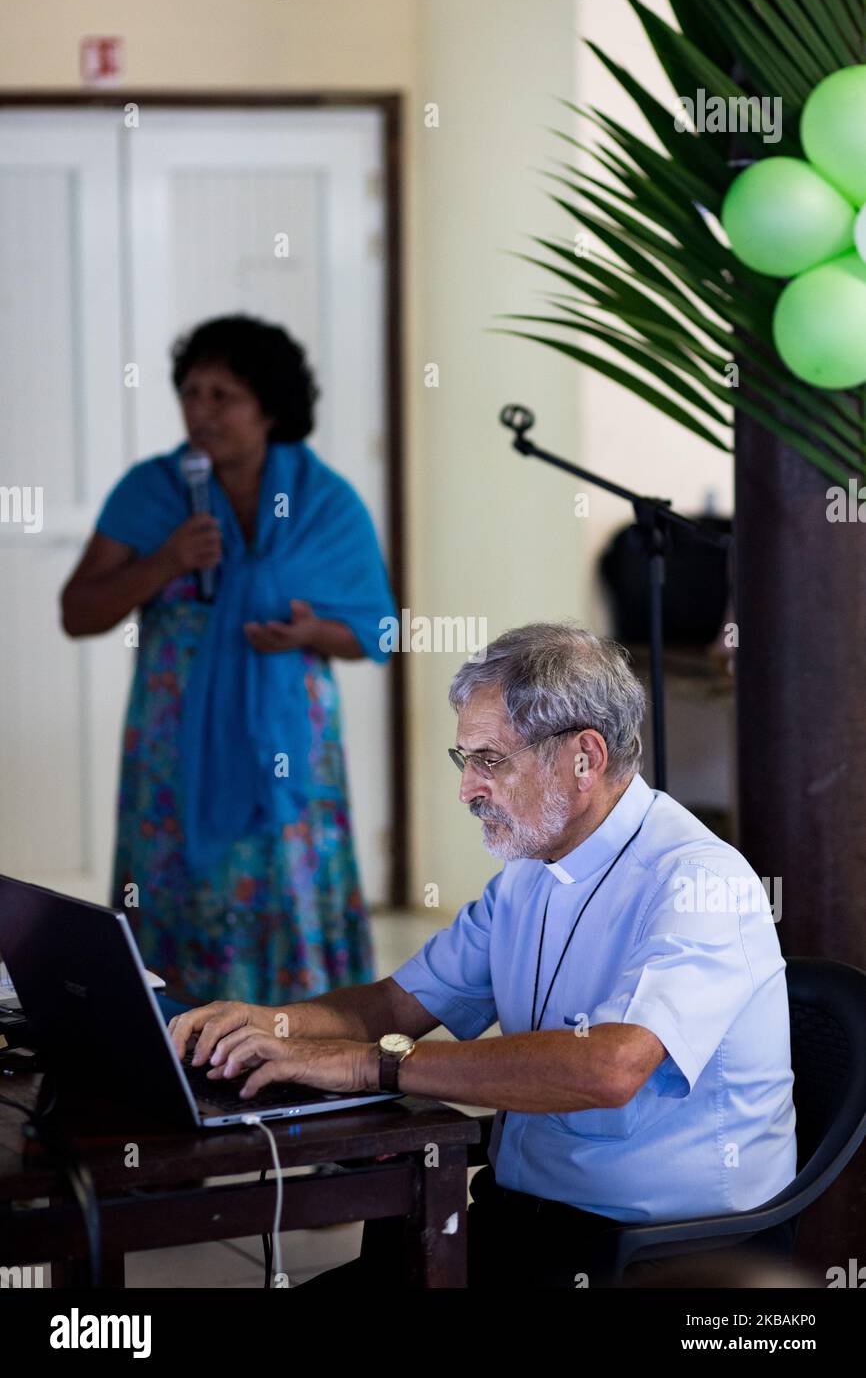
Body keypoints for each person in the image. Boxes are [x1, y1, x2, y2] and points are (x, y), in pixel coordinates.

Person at [167, 621, 798, 1287]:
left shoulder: (700, 880)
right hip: (528, 1222)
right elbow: (396, 1003)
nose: (468, 789)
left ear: (584, 757)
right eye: (463, 758)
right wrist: (270, 1024)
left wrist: (370, 1066)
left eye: (491, 760)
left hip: (662, 1256)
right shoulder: (532, 866)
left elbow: (609, 1067)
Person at [61, 314, 396, 1006]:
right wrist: (166, 560)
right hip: (175, 739)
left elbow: (377, 631)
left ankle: (299, 1037)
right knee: (175, 872)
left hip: (287, 745)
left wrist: (310, 631)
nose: (201, 411)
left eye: (224, 396)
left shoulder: (324, 502)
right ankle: (172, 1037)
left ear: (269, 406)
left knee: (282, 873)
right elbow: (79, 612)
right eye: (191, 392)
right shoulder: (152, 492)